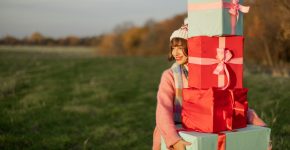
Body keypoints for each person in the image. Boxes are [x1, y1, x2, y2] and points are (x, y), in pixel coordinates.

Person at [152, 19, 267, 150]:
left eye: (180, 48)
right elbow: (163, 110)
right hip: (174, 129)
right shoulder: (171, 76)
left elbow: (233, 105)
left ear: (193, 47)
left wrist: (261, 130)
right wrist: (174, 140)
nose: (175, 53)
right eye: (173, 48)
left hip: (204, 129)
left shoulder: (211, 74)